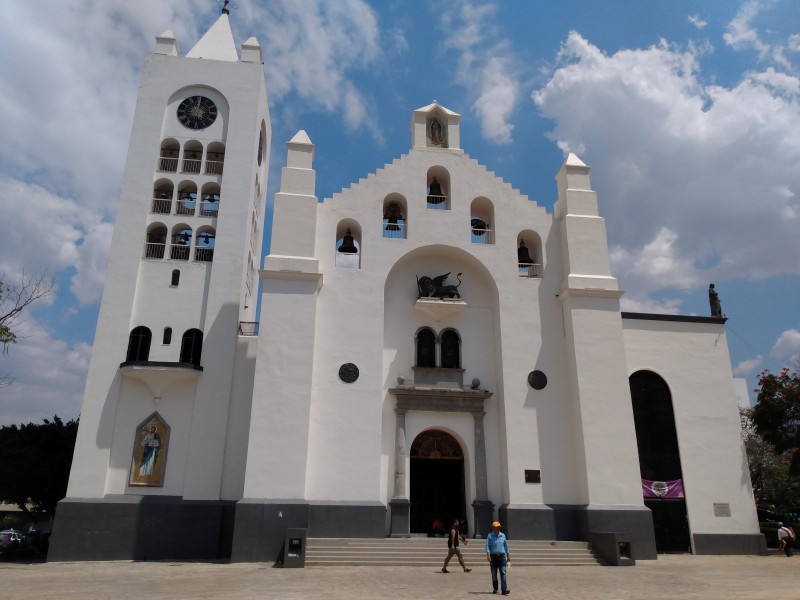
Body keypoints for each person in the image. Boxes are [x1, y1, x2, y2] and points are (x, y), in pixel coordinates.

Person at [485, 521, 510, 595]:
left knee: (503, 572)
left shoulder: (503, 535)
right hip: (493, 556)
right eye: (497, 527)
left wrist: (508, 555)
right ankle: (495, 588)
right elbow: (487, 546)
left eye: (499, 527)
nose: (498, 528)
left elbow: (506, 546)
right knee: (494, 574)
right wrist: (488, 555)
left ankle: (504, 589)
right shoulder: (490, 535)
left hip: (502, 556)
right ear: (493, 528)